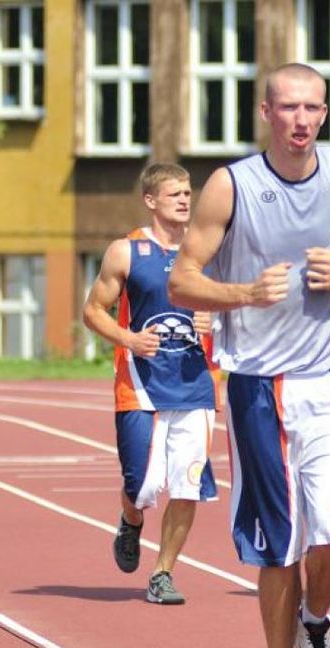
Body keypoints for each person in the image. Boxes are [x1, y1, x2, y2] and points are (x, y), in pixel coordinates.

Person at [168, 63, 330, 648]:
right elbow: (182, 280)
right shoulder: (232, 185)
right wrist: (242, 295)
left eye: (312, 108)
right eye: (288, 107)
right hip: (262, 386)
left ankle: (315, 624)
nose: (301, 119)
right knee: (278, 547)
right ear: (266, 112)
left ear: (325, 112)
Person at [81, 162, 219, 606]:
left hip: (196, 387)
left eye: (187, 192)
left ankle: (163, 573)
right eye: (175, 193)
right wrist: (128, 339)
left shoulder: (206, 253)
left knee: (186, 485)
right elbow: (93, 310)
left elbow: (240, 306)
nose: (184, 199)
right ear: (151, 200)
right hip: (140, 388)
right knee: (140, 485)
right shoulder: (126, 251)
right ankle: (131, 521)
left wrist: (216, 317)